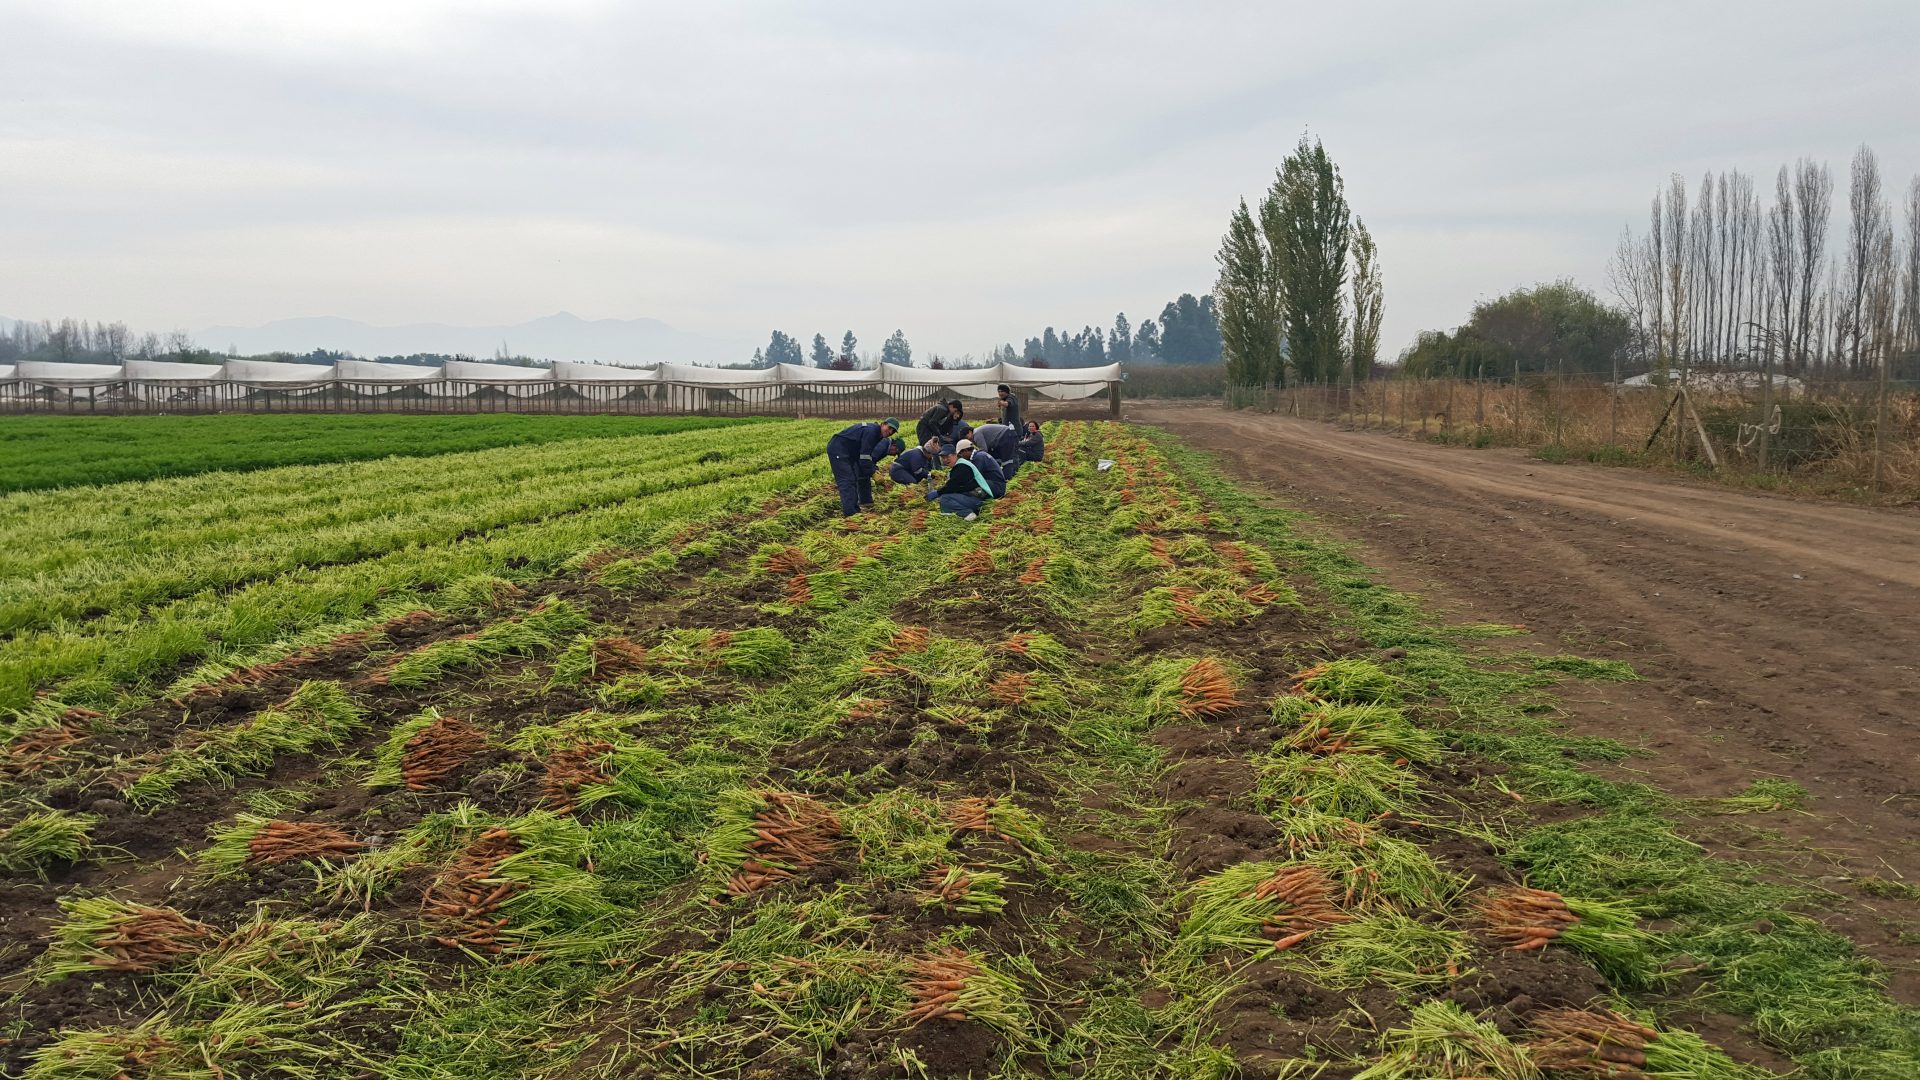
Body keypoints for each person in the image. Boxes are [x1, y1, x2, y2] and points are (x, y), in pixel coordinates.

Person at [826, 417, 900, 517]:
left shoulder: (877, 435)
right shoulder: (872, 432)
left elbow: (866, 456)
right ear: (883, 424)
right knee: (847, 481)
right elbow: (865, 458)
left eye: (893, 431)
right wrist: (873, 473)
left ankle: (855, 510)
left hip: (850, 453)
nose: (891, 431)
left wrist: (873, 470)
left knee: (853, 479)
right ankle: (851, 515)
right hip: (839, 449)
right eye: (890, 428)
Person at [926, 440, 993, 519]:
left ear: (955, 455)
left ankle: (967, 513)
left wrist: (938, 492)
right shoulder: (959, 466)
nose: (945, 460)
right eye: (943, 458)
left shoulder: (962, 466)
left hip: (980, 500)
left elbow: (952, 486)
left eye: (948, 457)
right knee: (946, 497)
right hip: (975, 498)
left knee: (945, 498)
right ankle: (960, 513)